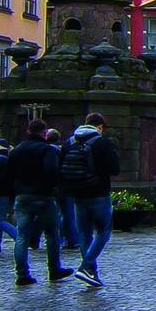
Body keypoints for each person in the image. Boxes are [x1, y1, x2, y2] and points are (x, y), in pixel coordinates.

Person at [6, 125, 73, 286]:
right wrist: (51, 188)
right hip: (43, 196)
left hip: (22, 196)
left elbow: (8, 174)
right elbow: (52, 171)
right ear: (44, 133)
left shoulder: (16, 150)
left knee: (22, 236)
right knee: (52, 234)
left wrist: (15, 191)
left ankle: (22, 274)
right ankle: (54, 269)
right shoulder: (47, 150)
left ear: (28, 131)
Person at [62, 113, 119, 287]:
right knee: (104, 231)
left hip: (77, 194)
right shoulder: (102, 143)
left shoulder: (69, 142)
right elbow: (114, 169)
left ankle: (91, 272)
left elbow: (60, 167)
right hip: (98, 193)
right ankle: (86, 266)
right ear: (100, 126)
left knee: (84, 233)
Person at [49, 129, 82, 251]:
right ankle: (71, 239)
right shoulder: (63, 149)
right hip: (67, 185)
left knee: (65, 214)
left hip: (59, 186)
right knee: (68, 213)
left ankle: (70, 239)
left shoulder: (53, 151)